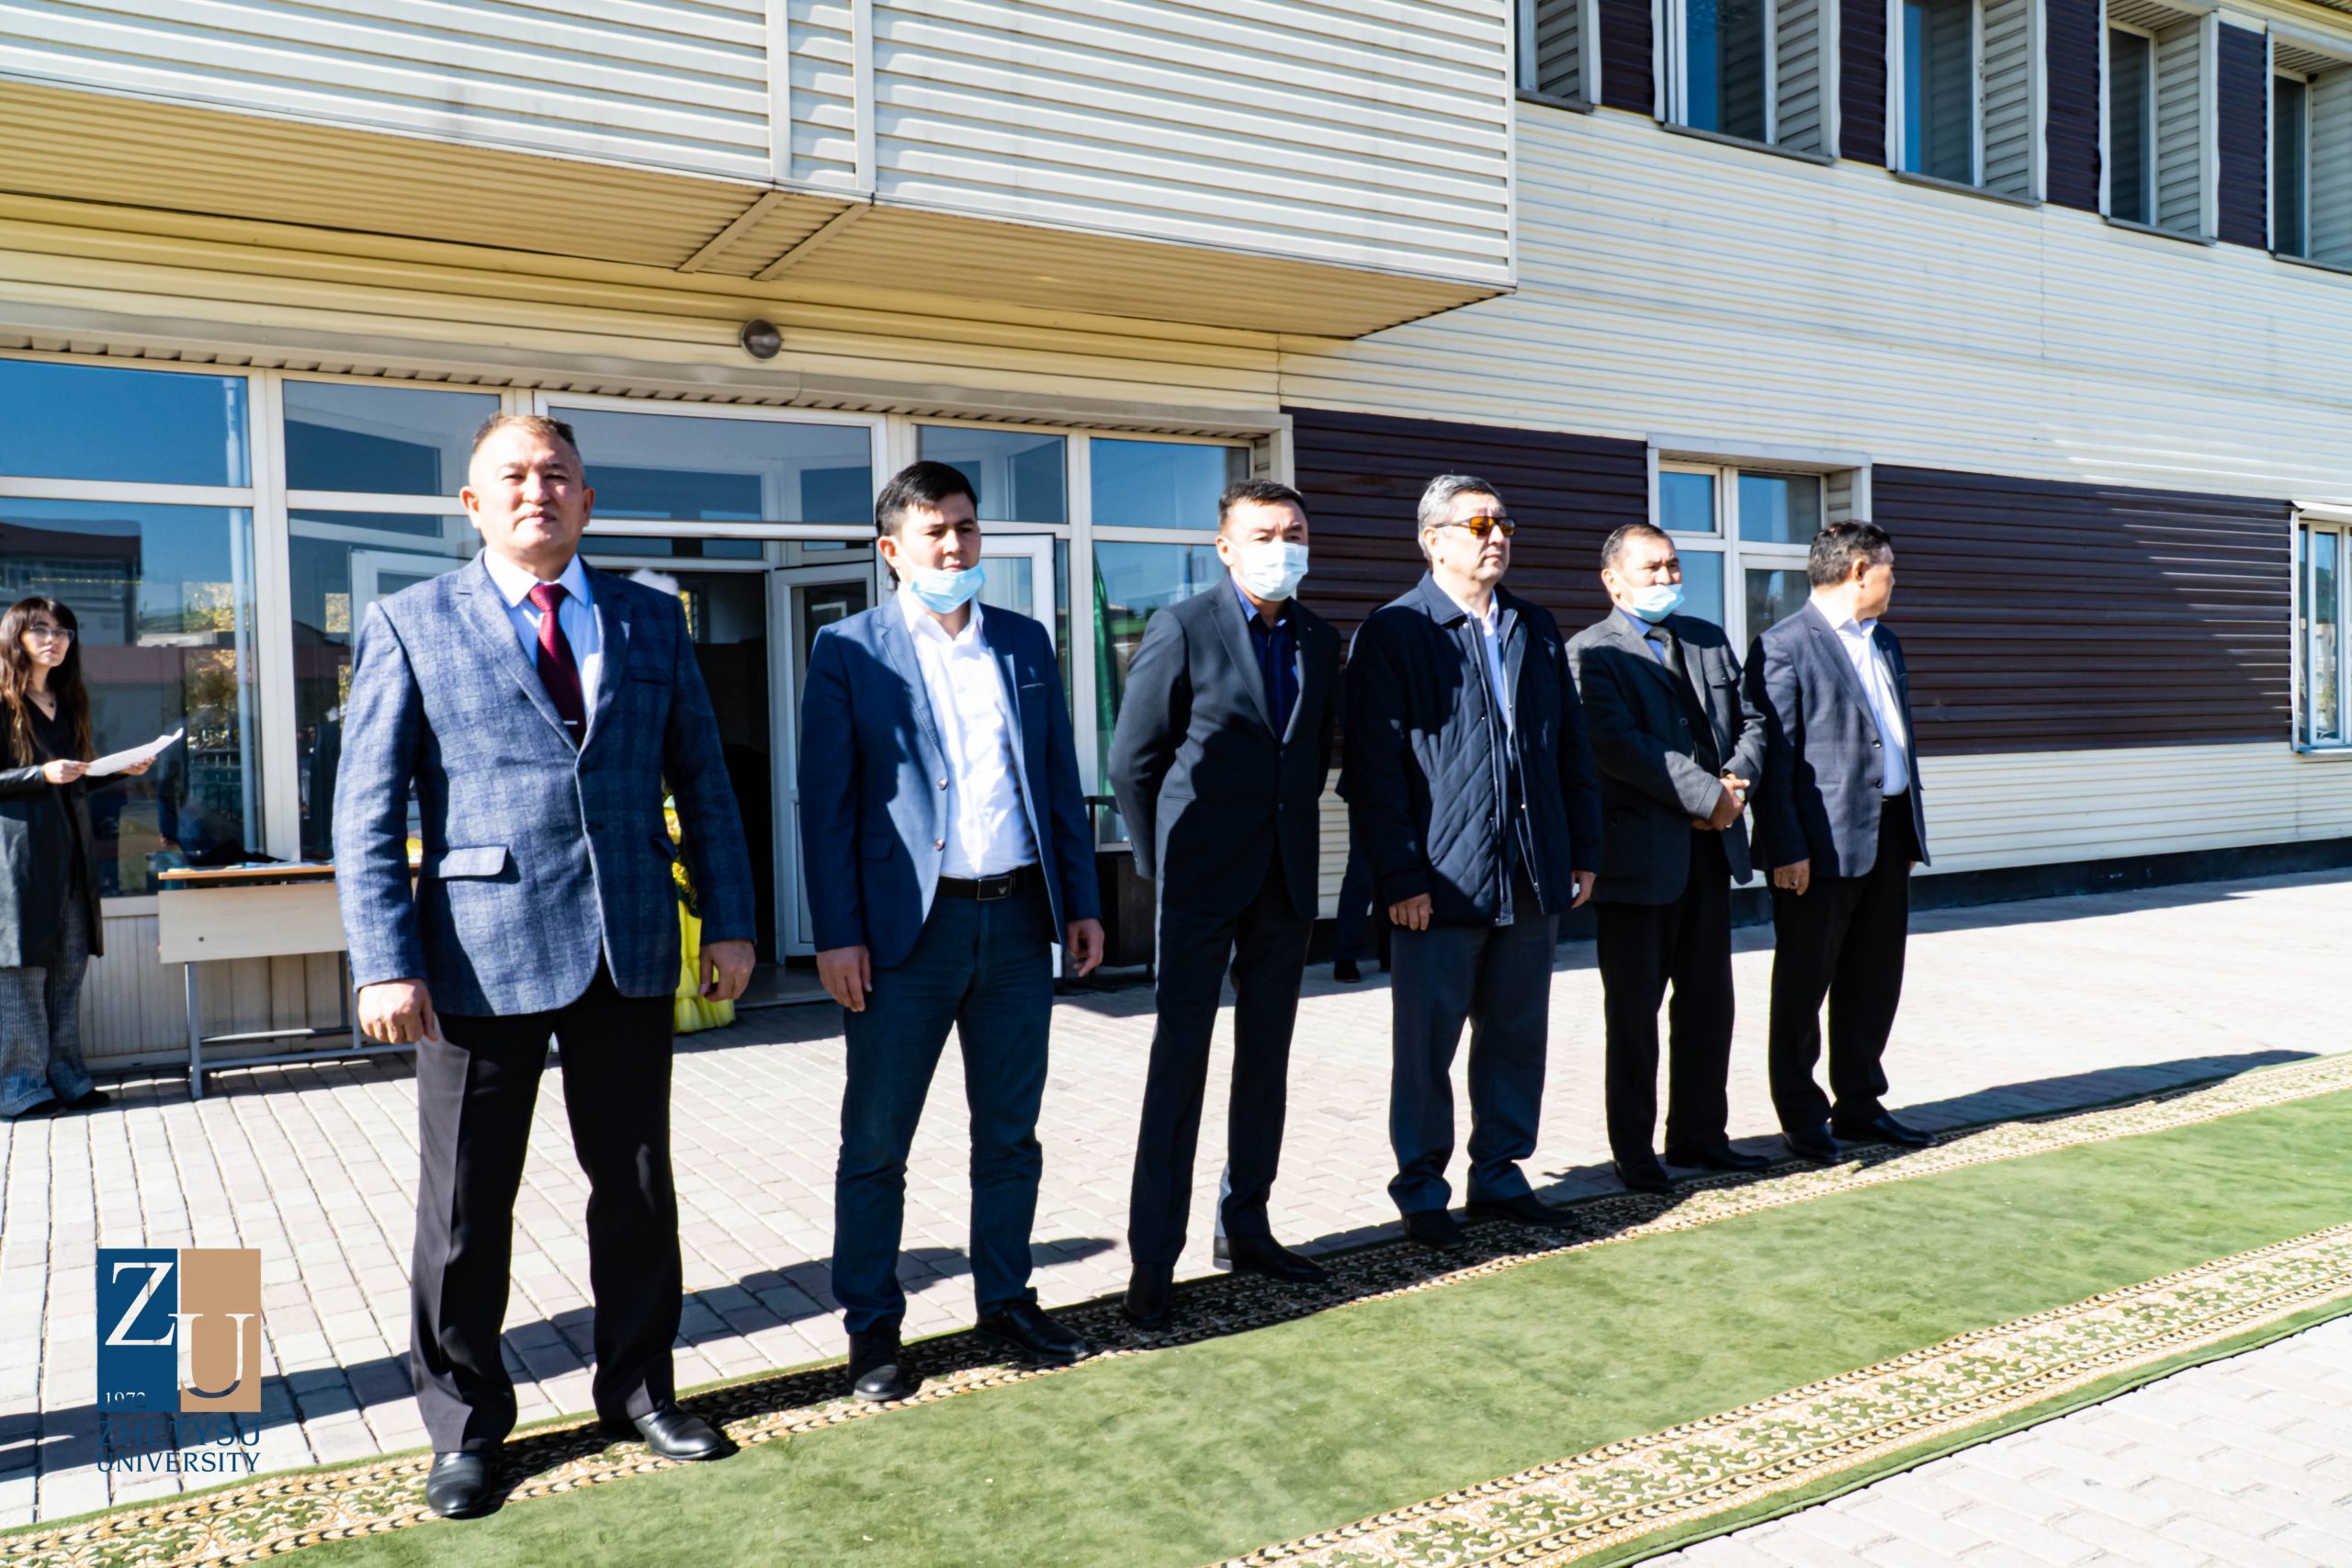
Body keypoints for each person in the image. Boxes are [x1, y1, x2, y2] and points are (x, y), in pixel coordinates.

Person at [334, 414, 756, 1520]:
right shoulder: (411, 621)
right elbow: (366, 810)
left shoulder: (652, 620)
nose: (539, 491)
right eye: (514, 477)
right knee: (466, 1208)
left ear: (587, 500)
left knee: (638, 1190)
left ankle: (640, 1390)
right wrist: (383, 961)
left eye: (558, 475)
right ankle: (465, 1427)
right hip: (474, 959)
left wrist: (731, 922)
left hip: (630, 945)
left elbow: (705, 782)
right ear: (473, 504)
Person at [798, 460, 1103, 1404]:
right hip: (904, 940)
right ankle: (872, 1328)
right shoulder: (847, 649)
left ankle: (1006, 1301)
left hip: (1015, 922)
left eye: (965, 528)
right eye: (933, 532)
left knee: (1009, 1133)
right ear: (892, 550)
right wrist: (837, 934)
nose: (953, 546)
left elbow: (1056, 779)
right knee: (877, 1141)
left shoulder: (1023, 641)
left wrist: (1081, 901)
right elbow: (826, 806)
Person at [1343, 474, 1602, 1247]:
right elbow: (1374, 770)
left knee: (1517, 1034)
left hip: (1531, 870)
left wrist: (1581, 848)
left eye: (1505, 525)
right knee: (1428, 1045)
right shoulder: (1395, 630)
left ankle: (1500, 1172)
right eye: (1479, 525)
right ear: (1433, 540)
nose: (1497, 537)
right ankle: (1422, 1187)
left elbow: (1570, 748)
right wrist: (1399, 876)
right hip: (1439, 879)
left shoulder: (1534, 624)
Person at [1108, 479, 1340, 1328]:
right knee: (1180, 1068)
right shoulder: (1182, 627)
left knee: (1265, 1064)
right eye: (1264, 534)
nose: (1283, 547)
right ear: (1225, 547)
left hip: (1284, 883)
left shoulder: (1320, 637)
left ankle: (1247, 1224)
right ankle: (1153, 1258)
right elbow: (1132, 761)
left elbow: (1307, 756)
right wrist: (1161, 866)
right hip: (1198, 884)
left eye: (1295, 532)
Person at [1566, 525, 1770, 1193]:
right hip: (1637, 862)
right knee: (1634, 1016)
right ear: (1612, 580)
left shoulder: (1707, 639)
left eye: (1673, 566)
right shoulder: (1589, 653)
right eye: (1650, 568)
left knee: (1709, 1005)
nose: (1666, 578)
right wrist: (1709, 796)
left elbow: (1752, 722)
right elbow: (1618, 745)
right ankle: (1634, 1151)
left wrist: (1734, 786)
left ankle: (1700, 1135)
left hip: (1710, 853)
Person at [1744, 521, 1932, 1163]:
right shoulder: (1783, 645)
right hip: (1818, 848)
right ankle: (1802, 1114)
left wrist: (1908, 832)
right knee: (1804, 986)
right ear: (1858, 570)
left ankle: (1859, 1102)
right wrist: (1784, 848)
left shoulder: (1885, 641)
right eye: (1889, 568)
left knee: (1874, 979)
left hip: (1888, 835)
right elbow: (1775, 759)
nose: (1894, 580)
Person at [0, 597, 152, 1120]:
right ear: (16, 637)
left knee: (68, 971)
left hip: (71, 860)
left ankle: (67, 1078)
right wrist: (38, 775)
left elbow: (74, 778)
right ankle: (19, 1088)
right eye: (41, 629)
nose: (55, 639)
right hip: (20, 862)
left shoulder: (67, 701)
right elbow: (38, 778)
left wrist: (119, 770)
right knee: (21, 977)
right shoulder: (3, 702)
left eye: (64, 630)